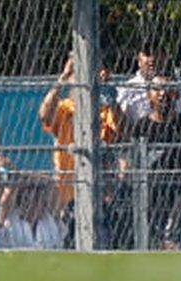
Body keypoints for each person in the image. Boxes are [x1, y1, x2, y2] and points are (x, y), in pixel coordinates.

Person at [128, 74, 181, 245]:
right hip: (153, 191)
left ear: (177, 94)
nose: (163, 94)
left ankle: (176, 236)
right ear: (148, 95)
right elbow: (132, 163)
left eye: (168, 89)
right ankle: (163, 237)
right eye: (157, 89)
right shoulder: (142, 126)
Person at [39, 57, 122, 207]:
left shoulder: (105, 109)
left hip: (99, 190)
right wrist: (63, 77)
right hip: (69, 191)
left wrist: (107, 89)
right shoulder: (64, 107)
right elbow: (44, 117)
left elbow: (120, 129)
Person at [117, 46, 181, 123]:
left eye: (156, 52)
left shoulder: (173, 85)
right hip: (140, 139)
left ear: (165, 57)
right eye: (147, 54)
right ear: (139, 60)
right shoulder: (127, 89)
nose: (152, 58)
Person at [0, 175, 65, 249]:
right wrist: (18, 181)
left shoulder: (49, 220)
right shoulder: (10, 220)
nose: (34, 204)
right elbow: (3, 204)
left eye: (39, 199)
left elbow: (56, 194)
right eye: (29, 199)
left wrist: (37, 177)